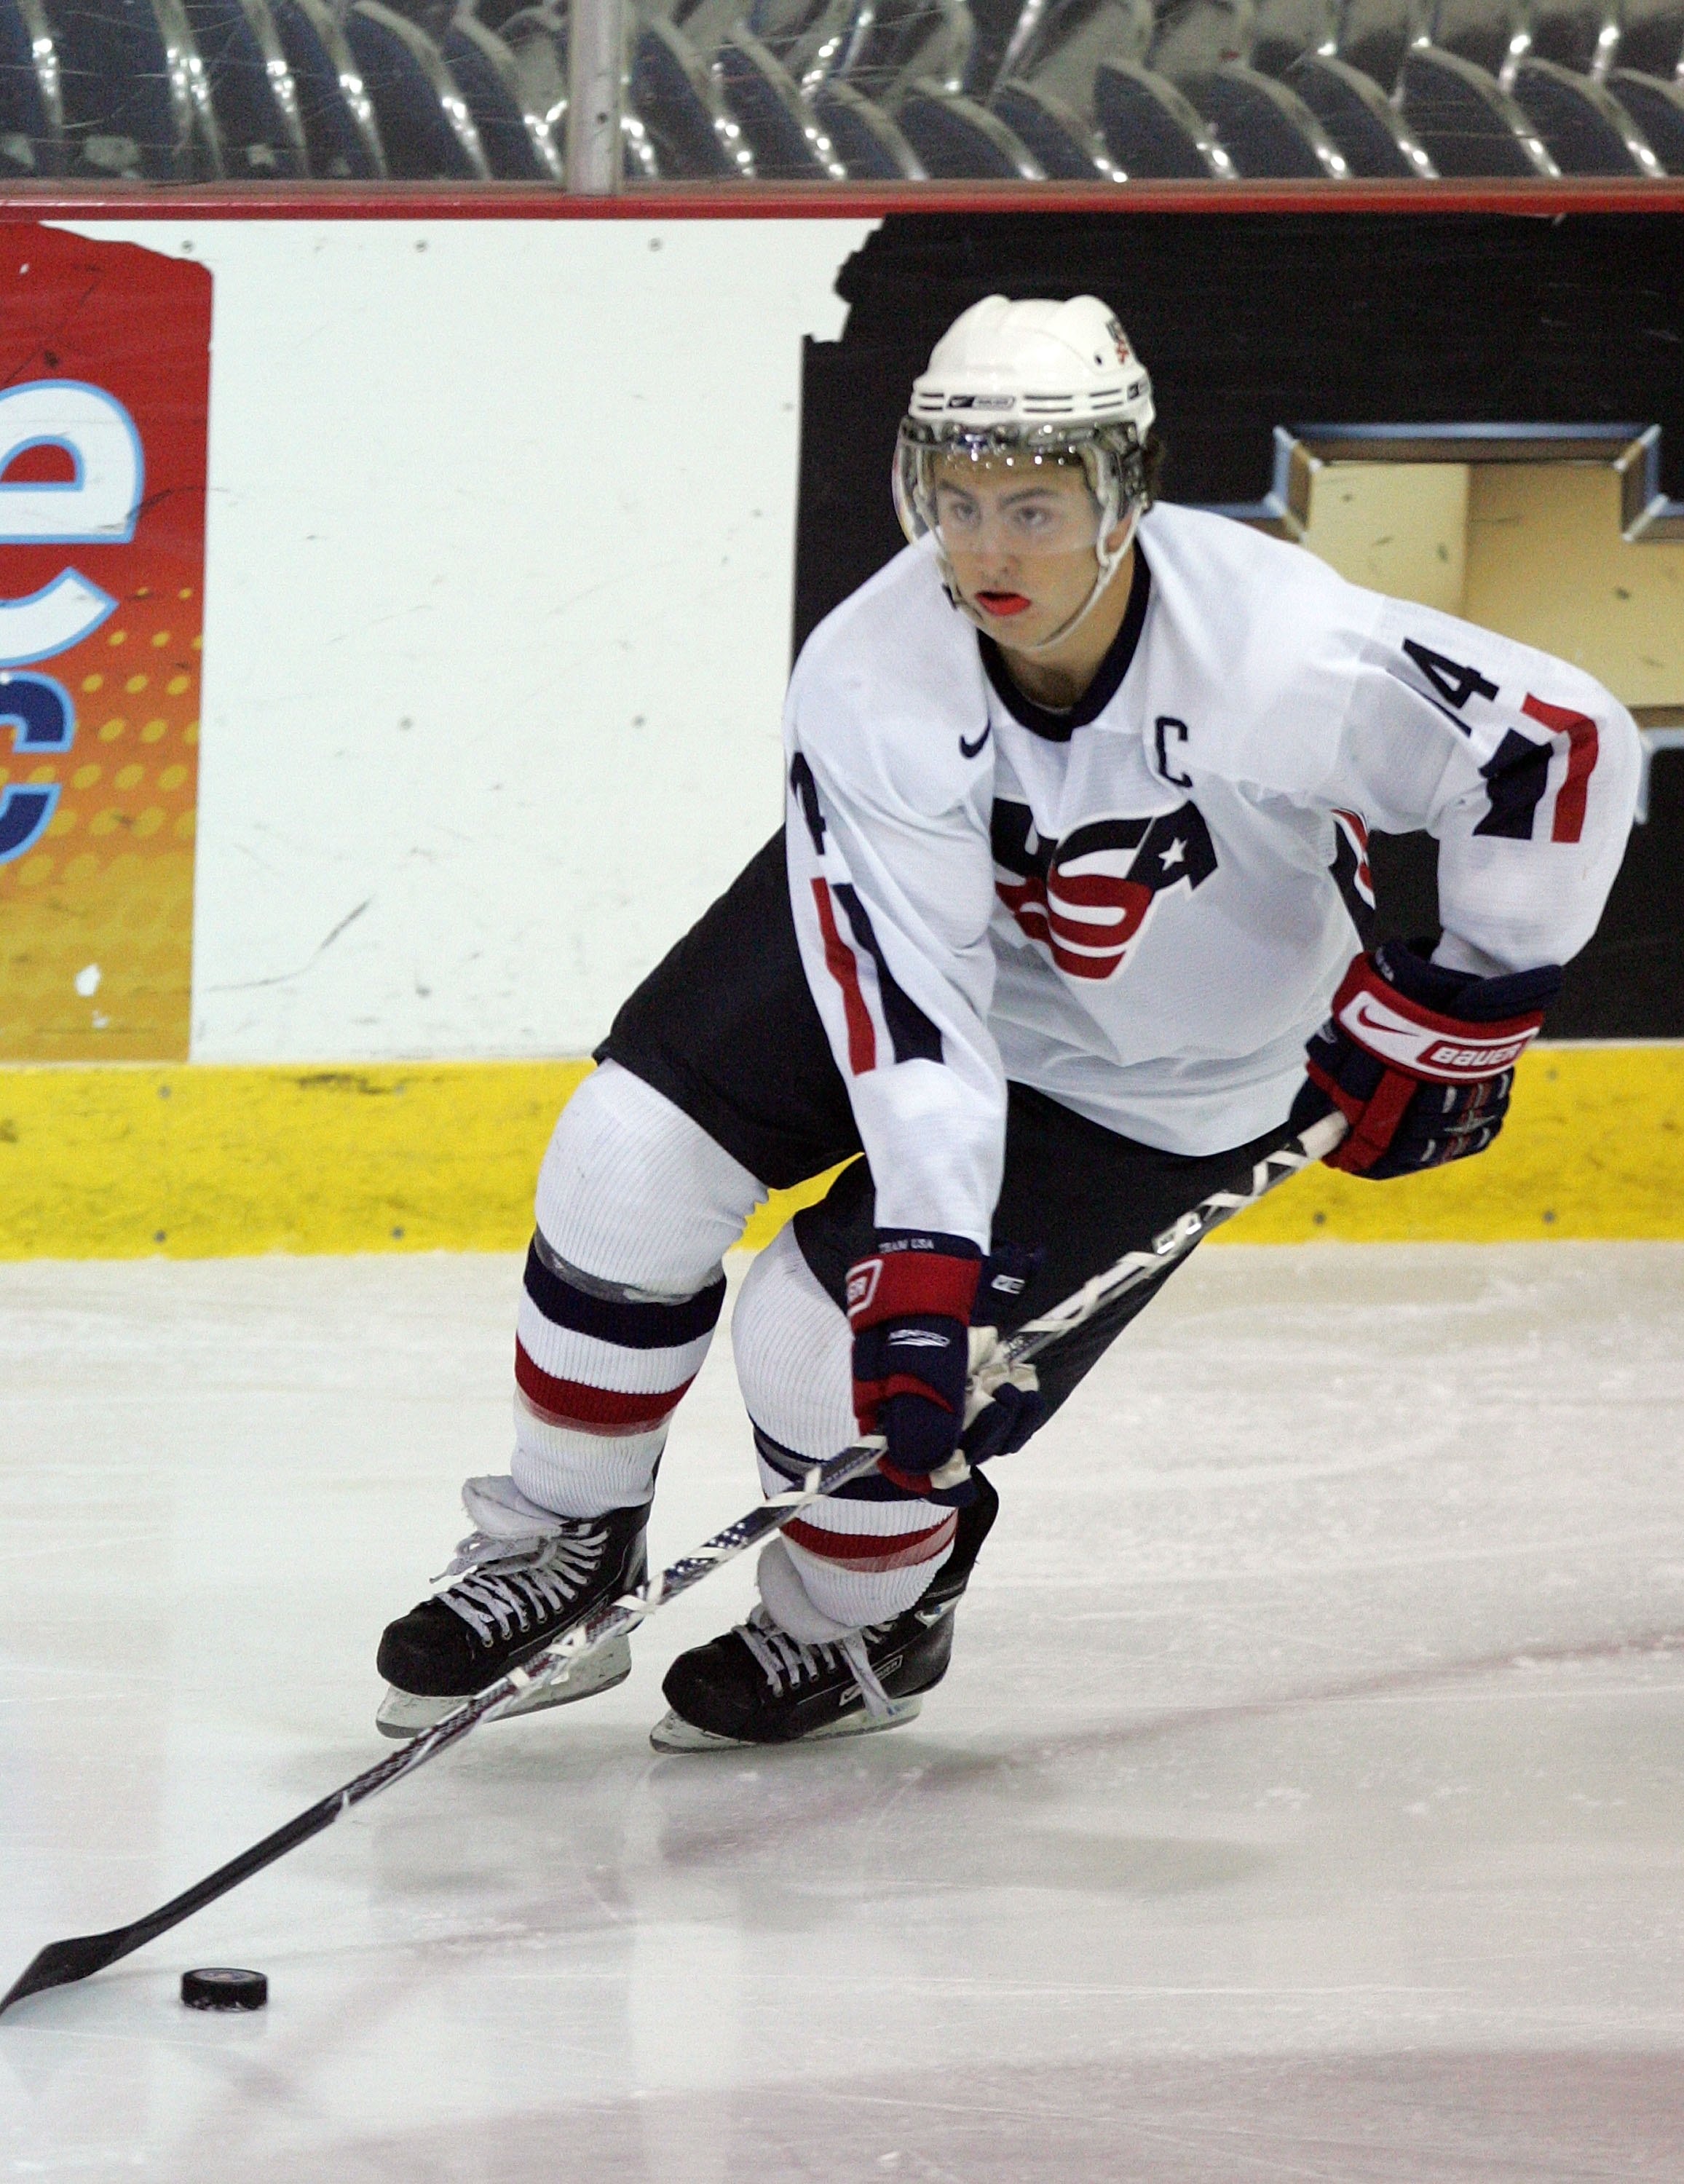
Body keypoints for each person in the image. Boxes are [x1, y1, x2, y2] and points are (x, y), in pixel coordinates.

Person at [373, 295, 1638, 1751]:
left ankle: (857, 1624)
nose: (985, 553)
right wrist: (924, 1246)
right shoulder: (870, 670)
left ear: (1122, 492)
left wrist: (1474, 992)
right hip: (952, 969)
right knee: (626, 1158)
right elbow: (911, 997)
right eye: (956, 503)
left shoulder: (1272, 647)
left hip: (1175, 1071)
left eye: (1033, 508)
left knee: (810, 1342)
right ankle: (563, 1539)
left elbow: (1553, 743)